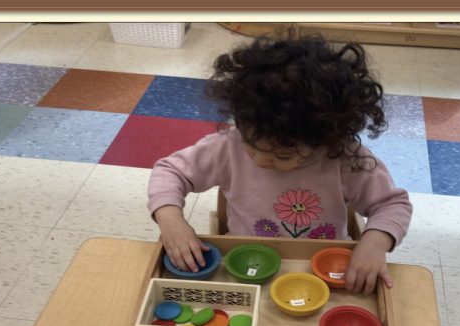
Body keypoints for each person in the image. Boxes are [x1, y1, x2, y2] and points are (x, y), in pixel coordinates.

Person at [147, 34, 412, 295]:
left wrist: (375, 242)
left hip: (322, 269)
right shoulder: (229, 144)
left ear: (324, 140)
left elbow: (392, 204)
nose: (260, 160)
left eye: (282, 156)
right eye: (251, 144)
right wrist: (171, 221)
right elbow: (170, 171)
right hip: (245, 263)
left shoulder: (344, 157)